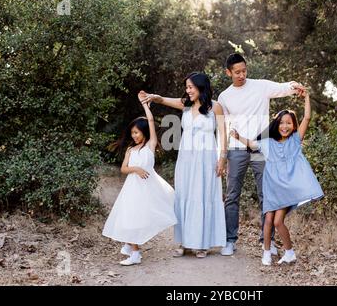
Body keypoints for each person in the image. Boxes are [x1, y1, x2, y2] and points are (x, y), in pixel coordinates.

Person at [217, 53, 306, 256]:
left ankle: (267, 241)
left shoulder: (260, 86)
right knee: (232, 196)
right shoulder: (224, 96)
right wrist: (222, 155)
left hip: (261, 148)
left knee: (266, 195)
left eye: (244, 71)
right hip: (236, 148)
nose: (241, 75)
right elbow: (222, 126)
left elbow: (283, 87)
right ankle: (230, 240)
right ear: (228, 72)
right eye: (237, 72)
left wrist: (295, 86)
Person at [138, 72, 227, 258]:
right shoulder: (186, 104)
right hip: (186, 159)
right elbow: (164, 100)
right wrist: (154, 97)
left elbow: (223, 135)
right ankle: (183, 242)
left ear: (201, 87)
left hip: (206, 160)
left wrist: (222, 159)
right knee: (185, 196)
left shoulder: (216, 107)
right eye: (186, 87)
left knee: (203, 196)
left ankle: (202, 244)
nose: (187, 91)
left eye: (190, 87)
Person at [230, 90, 324, 265]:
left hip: (285, 189)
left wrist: (308, 98)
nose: (285, 126)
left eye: (289, 123)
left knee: (278, 221)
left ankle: (289, 252)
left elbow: (307, 118)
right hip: (271, 186)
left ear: (294, 126)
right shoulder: (268, 143)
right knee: (268, 220)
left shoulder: (295, 140)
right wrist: (238, 136)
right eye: (282, 123)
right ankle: (266, 252)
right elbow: (252, 144)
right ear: (276, 124)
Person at [102, 100, 177, 266]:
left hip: (149, 188)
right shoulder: (131, 149)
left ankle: (131, 246)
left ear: (144, 132)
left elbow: (151, 121)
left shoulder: (150, 146)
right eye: (132, 133)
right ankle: (134, 251)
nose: (134, 135)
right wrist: (136, 169)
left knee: (143, 217)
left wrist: (145, 105)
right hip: (133, 188)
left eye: (136, 132)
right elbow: (123, 168)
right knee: (131, 217)